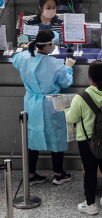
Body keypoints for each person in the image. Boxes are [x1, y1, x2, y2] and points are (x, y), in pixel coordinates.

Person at [12, 30, 76, 185]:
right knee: (56, 135)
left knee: (32, 136)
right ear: (48, 45)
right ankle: (59, 174)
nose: (53, 47)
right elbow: (66, 82)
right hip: (51, 104)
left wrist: (27, 47)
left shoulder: (24, 57)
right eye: (52, 44)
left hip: (31, 103)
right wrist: (68, 67)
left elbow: (15, 60)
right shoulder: (55, 63)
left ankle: (31, 175)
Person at [65, 60, 102, 215]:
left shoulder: (81, 97)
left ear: (89, 76)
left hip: (87, 141)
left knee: (90, 171)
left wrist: (65, 111)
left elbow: (71, 118)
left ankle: (90, 204)